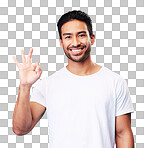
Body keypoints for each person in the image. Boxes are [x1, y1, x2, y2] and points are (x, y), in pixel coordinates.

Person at [12, 10, 135, 148]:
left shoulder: (115, 82)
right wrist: (24, 86)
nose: (75, 43)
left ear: (92, 38)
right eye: (68, 37)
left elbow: (123, 133)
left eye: (81, 35)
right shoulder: (48, 84)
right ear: (61, 42)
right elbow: (20, 129)